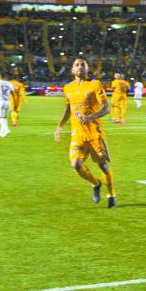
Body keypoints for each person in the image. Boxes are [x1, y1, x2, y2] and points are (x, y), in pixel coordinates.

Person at [54, 57, 116, 208]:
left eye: (83, 65)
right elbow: (68, 109)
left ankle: (111, 194)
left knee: (103, 166)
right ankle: (95, 184)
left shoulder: (94, 84)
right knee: (75, 164)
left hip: (94, 133)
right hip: (77, 133)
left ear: (87, 69)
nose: (80, 67)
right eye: (77, 65)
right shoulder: (67, 88)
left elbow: (106, 108)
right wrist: (59, 127)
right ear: (72, 70)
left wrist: (90, 117)